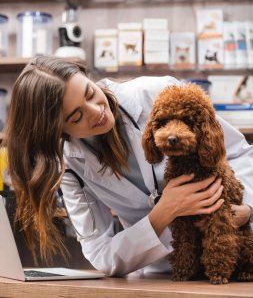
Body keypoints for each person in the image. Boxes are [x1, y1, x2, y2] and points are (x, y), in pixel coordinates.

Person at [4, 55, 253, 276]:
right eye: (76, 116)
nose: (96, 111)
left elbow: (239, 153)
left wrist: (247, 209)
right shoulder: (70, 165)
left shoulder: (155, 93)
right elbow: (101, 254)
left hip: (231, 255)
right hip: (165, 272)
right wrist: (164, 213)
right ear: (57, 131)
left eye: (90, 93)